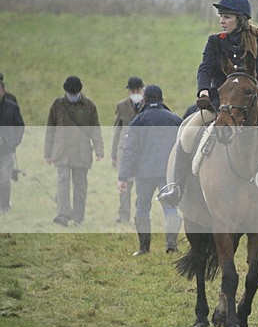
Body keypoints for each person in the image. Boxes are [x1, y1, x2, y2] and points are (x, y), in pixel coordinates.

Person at [157, 0, 258, 216]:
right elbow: (205, 69)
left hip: (251, 106)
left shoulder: (257, 42)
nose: (222, 20)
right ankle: (177, 188)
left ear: (240, 20)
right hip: (217, 104)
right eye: (221, 16)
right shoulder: (215, 42)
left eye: (227, 17)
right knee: (186, 134)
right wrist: (203, 89)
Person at [117, 85, 183, 256]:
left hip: (144, 173)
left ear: (145, 99)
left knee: (142, 207)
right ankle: (171, 245)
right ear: (162, 99)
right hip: (168, 172)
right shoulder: (175, 119)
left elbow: (130, 151)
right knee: (170, 207)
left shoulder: (137, 121)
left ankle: (143, 248)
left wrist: (123, 177)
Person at [44, 76, 104, 226]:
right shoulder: (57, 105)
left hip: (81, 152)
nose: (72, 96)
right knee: (62, 184)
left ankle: (78, 218)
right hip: (61, 152)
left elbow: (95, 129)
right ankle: (62, 215)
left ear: (79, 91)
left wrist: (99, 150)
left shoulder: (90, 106)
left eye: (74, 93)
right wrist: (47, 152)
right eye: (70, 93)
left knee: (80, 187)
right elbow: (50, 130)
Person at [111, 76, 145, 223]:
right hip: (124, 150)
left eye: (138, 90)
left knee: (141, 185)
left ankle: (140, 214)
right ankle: (123, 215)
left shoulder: (148, 105)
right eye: (133, 90)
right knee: (124, 184)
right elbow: (116, 131)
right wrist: (113, 154)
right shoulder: (121, 106)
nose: (135, 92)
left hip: (143, 151)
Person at [0, 75, 24, 214]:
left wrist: (12, 143)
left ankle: (4, 205)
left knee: (4, 178)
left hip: (6, 149)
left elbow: (19, 127)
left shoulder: (12, 106)